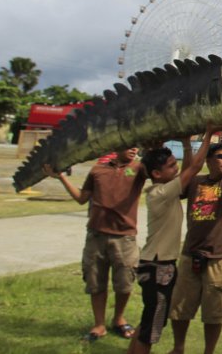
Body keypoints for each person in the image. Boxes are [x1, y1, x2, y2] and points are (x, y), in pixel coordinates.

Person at [44, 146, 146, 342]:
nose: (134, 148)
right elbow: (82, 198)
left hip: (124, 237)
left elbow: (161, 173)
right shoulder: (98, 170)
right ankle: (99, 325)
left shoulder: (140, 169)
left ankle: (119, 319)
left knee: (124, 282)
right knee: (95, 281)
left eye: (137, 145)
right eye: (130, 144)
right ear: (117, 145)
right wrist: (62, 177)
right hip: (96, 236)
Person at [127, 129, 215, 354]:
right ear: (156, 173)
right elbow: (193, 169)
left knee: (149, 318)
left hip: (155, 265)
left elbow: (186, 170)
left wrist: (186, 144)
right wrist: (209, 133)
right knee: (152, 327)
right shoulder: (162, 194)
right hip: (159, 267)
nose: (176, 169)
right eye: (170, 166)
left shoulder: (163, 190)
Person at [168, 142, 222, 354]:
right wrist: (186, 145)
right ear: (208, 160)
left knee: (214, 312)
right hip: (191, 255)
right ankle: (178, 348)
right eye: (221, 156)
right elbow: (181, 183)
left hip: (220, 258)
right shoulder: (195, 182)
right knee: (180, 308)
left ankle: (208, 351)